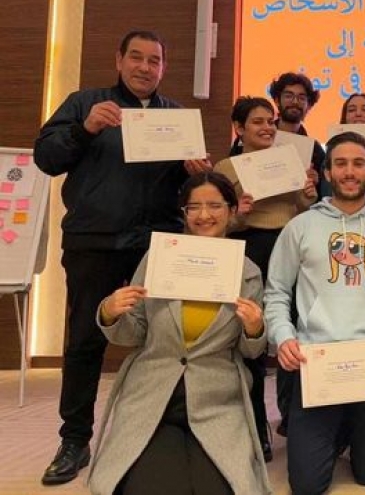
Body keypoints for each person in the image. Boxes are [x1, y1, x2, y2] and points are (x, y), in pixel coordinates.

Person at [33, 30, 211, 486]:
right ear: (119, 60)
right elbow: (46, 158)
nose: (144, 67)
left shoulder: (176, 117)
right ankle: (74, 440)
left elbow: (187, 192)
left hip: (159, 248)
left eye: (154, 60)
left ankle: (166, 432)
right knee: (84, 341)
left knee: (168, 342)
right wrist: (85, 129)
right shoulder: (85, 104)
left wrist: (196, 173)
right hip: (95, 242)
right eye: (136, 57)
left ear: (163, 68)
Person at [87, 172, 270, 495]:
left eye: (214, 205)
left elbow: (249, 351)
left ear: (231, 210)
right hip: (153, 394)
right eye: (193, 207)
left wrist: (255, 329)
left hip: (217, 400)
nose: (203, 215)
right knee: (152, 488)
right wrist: (110, 312)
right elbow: (133, 335)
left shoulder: (248, 272)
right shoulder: (157, 259)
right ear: (183, 213)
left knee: (222, 488)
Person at [265, 131, 365, 495]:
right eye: (340, 164)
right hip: (317, 363)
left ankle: (350, 432)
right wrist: (284, 338)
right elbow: (276, 292)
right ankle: (330, 432)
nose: (349, 171)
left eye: (357, 163)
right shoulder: (300, 227)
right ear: (327, 172)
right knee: (307, 486)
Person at [214, 95, 317, 459]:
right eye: (257, 121)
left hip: (288, 247)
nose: (267, 128)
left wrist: (308, 193)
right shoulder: (226, 168)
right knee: (251, 339)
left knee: (294, 334)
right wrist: (239, 214)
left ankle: (294, 418)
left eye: (271, 122)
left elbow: (302, 211)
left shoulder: (291, 159)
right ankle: (257, 424)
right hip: (248, 249)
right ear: (239, 128)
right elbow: (218, 224)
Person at [266, 71, 327, 198]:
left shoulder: (315, 150)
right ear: (277, 100)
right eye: (289, 96)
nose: (295, 102)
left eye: (302, 98)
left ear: (309, 105)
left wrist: (317, 182)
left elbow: (324, 194)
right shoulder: (260, 137)